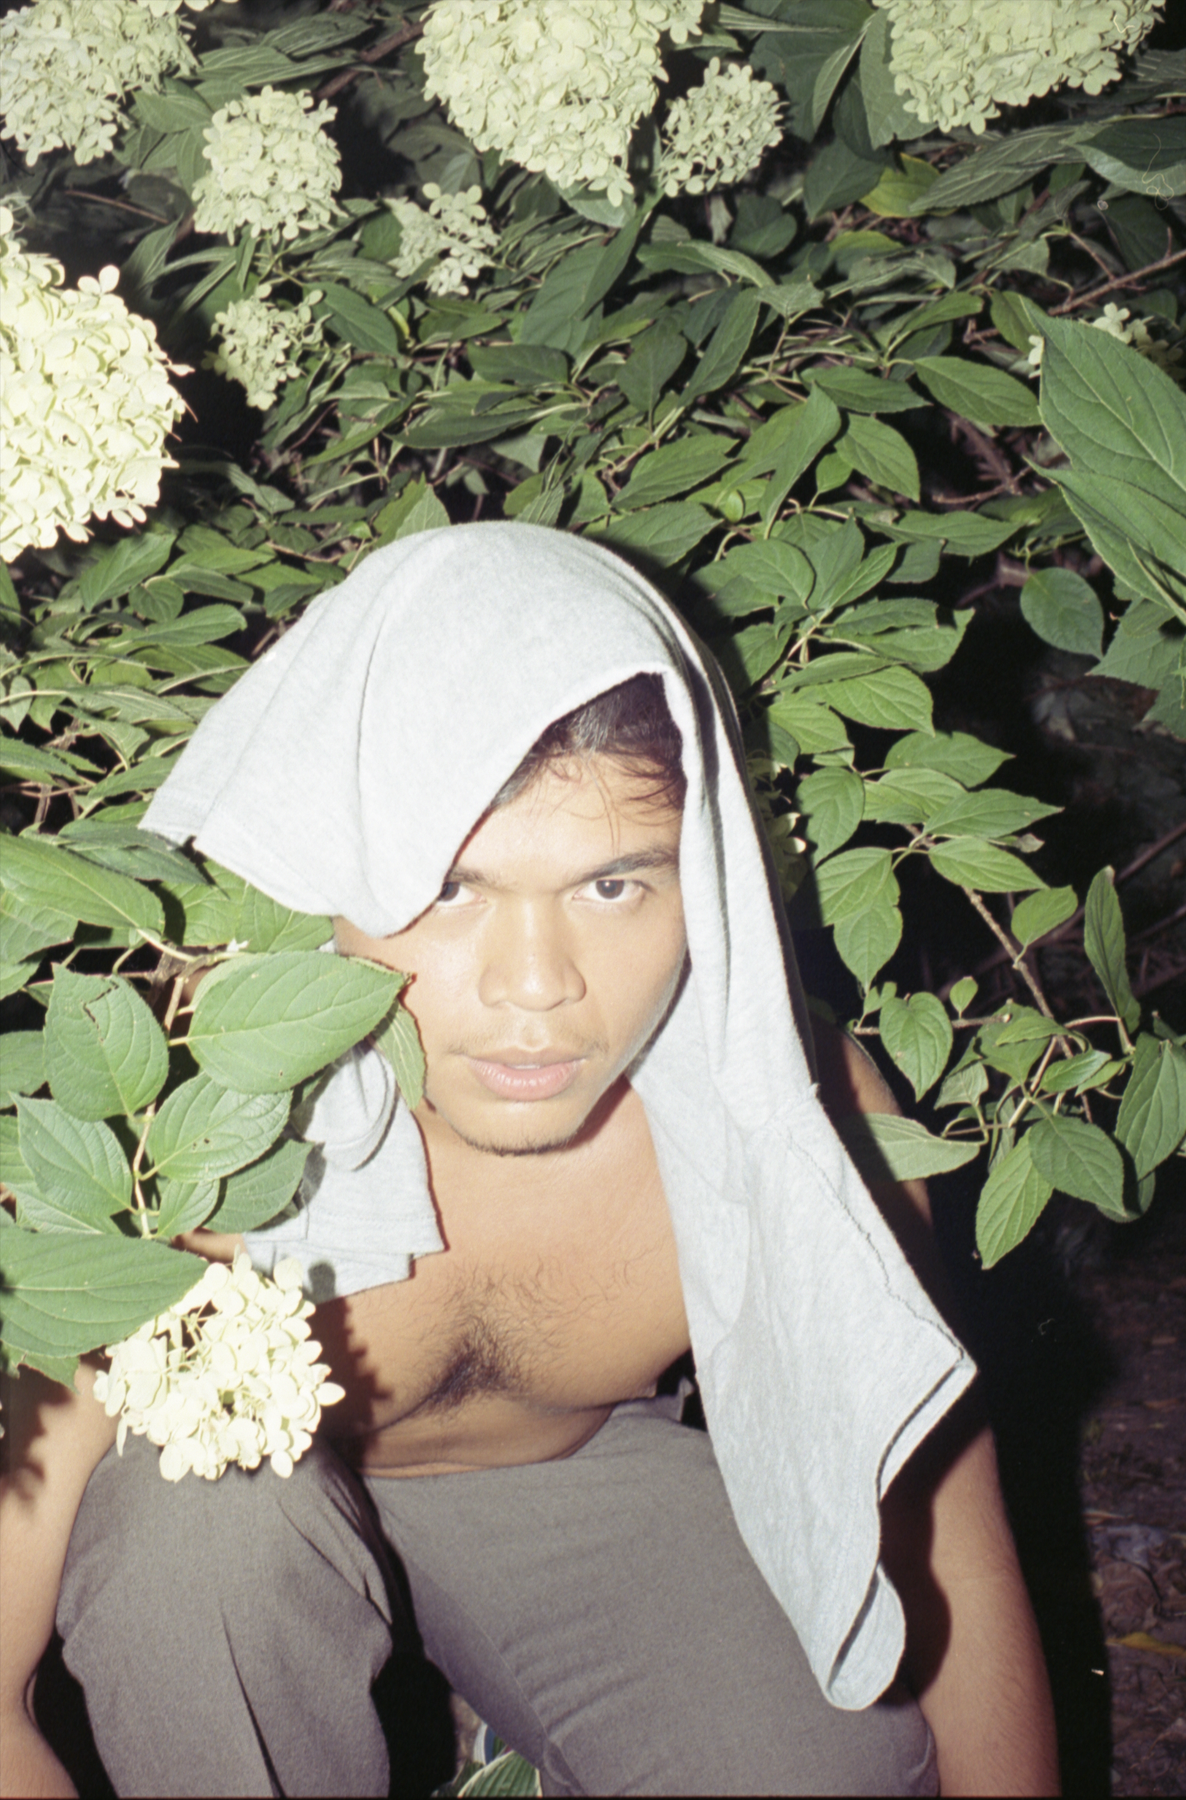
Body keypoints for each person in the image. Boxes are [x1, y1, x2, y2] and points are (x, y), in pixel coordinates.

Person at [0, 524, 1059, 1798]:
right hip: (221, 1529)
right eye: (450, 890)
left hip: (560, 1479)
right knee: (206, 1536)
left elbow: (943, 1535)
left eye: (613, 887)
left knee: (823, 1763)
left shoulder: (787, 1111)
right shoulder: (173, 1139)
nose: (537, 988)